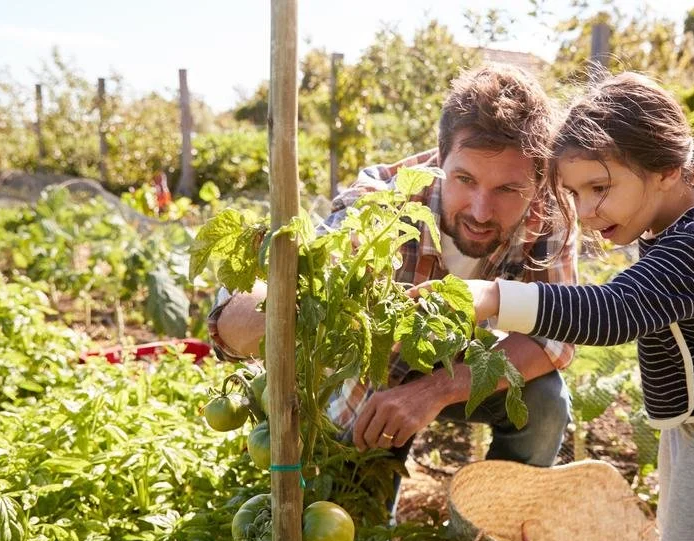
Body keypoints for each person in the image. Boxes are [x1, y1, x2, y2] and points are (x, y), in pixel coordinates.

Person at [440, 72, 694, 541]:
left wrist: (494, 297)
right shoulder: (677, 229)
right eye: (575, 193)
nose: (586, 211)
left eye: (599, 188)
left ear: (666, 170)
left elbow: (614, 309)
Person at [208, 64, 576, 474]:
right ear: (441, 157)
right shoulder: (384, 201)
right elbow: (295, 282)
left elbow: (554, 338)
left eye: (508, 189)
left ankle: (496, 524)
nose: (480, 210)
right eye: (465, 179)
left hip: (462, 367)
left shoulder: (549, 213)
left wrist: (433, 390)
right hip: (376, 378)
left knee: (544, 401)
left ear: (538, 179)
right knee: (355, 509)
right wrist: (254, 313)